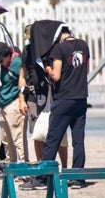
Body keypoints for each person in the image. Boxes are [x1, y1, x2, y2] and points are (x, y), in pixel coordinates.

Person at [41, 27, 90, 189]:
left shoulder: (59, 48)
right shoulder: (84, 45)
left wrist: (47, 68)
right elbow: (86, 70)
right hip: (81, 97)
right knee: (79, 140)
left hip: (64, 98)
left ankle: (43, 177)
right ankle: (78, 178)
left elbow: (56, 76)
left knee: (53, 139)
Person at [18, 24, 68, 170]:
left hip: (54, 94)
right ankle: (41, 168)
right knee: (37, 135)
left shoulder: (54, 48)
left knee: (59, 134)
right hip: (34, 97)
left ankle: (64, 168)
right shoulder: (27, 51)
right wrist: (21, 99)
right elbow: (22, 76)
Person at [0, 42, 29, 170]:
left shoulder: (17, 62)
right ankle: (11, 169)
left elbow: (24, 81)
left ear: (8, 54)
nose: (0, 63)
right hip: (3, 104)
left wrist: (21, 100)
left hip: (13, 102)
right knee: (7, 141)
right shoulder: (4, 64)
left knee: (18, 140)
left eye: (1, 59)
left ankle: (23, 169)